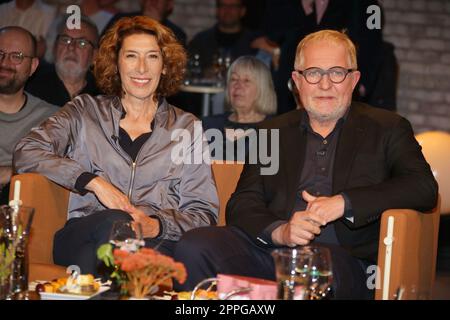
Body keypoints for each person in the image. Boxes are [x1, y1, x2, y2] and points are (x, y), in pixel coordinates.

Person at [173, 30, 438, 299]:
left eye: (337, 72)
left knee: (316, 268)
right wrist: (281, 231)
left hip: (343, 261)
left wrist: (344, 203)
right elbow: (243, 202)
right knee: (195, 246)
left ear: (354, 79)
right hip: (272, 251)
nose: (325, 85)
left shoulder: (387, 128)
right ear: (297, 81)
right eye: (313, 73)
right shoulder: (272, 132)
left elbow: (423, 187)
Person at [14, 16, 219, 275]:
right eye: (131, 56)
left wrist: (155, 225)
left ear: (165, 66)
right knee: (116, 223)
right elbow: (27, 151)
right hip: (83, 231)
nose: (141, 68)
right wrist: (93, 182)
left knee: (103, 257)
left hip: (151, 243)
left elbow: (203, 211)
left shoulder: (187, 127)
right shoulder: (84, 111)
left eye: (153, 57)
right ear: (116, 62)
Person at [0, 26, 58, 205]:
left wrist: (13, 173)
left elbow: (62, 170)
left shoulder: (51, 118)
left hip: (21, 207)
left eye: (16, 56)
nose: (4, 62)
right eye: (0, 53)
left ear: (33, 66)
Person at [202, 55, 276, 161]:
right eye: (234, 79)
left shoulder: (276, 131)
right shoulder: (209, 126)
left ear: (262, 88)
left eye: (246, 81)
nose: (238, 85)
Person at [26, 15, 100, 107]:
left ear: (95, 55)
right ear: (54, 48)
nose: (71, 47)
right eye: (66, 40)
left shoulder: (103, 97)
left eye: (82, 43)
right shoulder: (30, 86)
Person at [187, 0, 256, 78]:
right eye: (223, 5)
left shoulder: (254, 43)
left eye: (233, 6)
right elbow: (188, 72)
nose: (227, 10)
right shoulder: (200, 41)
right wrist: (203, 74)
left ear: (242, 11)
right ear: (217, 10)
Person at [104, 0, 186, 46]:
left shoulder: (176, 33)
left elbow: (173, 66)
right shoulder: (121, 21)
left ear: (169, 5)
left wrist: (155, 24)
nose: (153, 2)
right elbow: (104, 49)